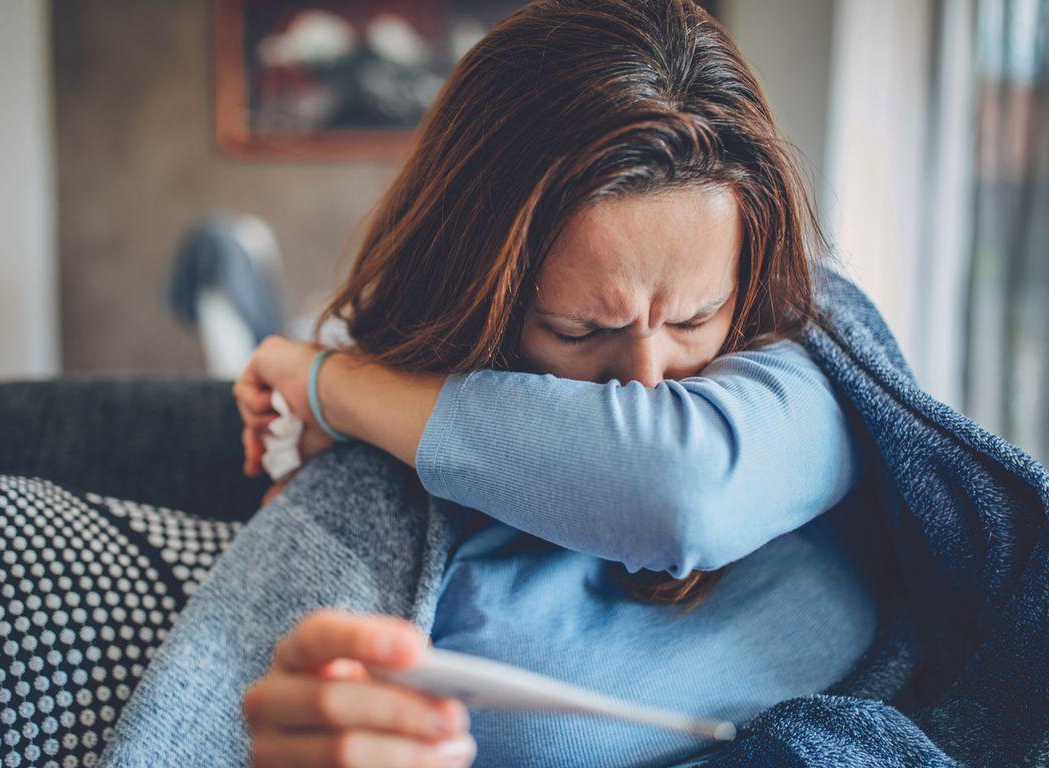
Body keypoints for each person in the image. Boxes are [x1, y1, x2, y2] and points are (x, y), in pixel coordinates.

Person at [233, 1, 878, 766]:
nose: (646, 382)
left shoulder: (807, 368)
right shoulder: (385, 478)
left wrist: (334, 386)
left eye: (695, 319)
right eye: (580, 331)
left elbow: (678, 488)